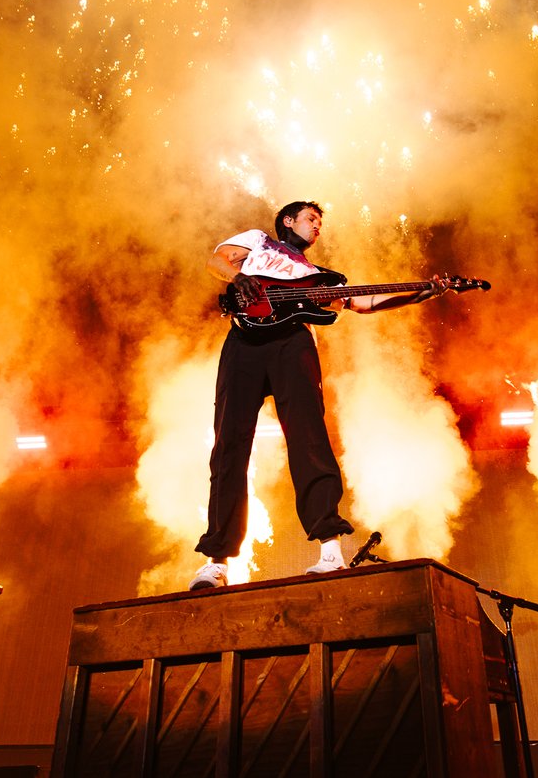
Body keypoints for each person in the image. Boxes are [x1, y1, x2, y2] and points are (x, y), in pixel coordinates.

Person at [189, 200, 443, 589]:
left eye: (320, 221)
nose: (317, 225)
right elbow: (217, 261)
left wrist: (421, 293)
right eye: (311, 218)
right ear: (288, 221)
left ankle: (330, 552)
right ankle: (217, 562)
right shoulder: (258, 241)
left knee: (309, 440)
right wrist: (237, 278)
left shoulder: (319, 277)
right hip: (243, 344)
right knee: (228, 447)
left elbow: (362, 302)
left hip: (293, 345)